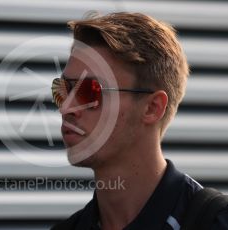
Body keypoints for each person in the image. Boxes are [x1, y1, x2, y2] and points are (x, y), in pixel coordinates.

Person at [50, 12, 228, 230]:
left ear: (152, 108)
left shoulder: (213, 223)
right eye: (64, 88)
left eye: (90, 91)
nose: (66, 107)